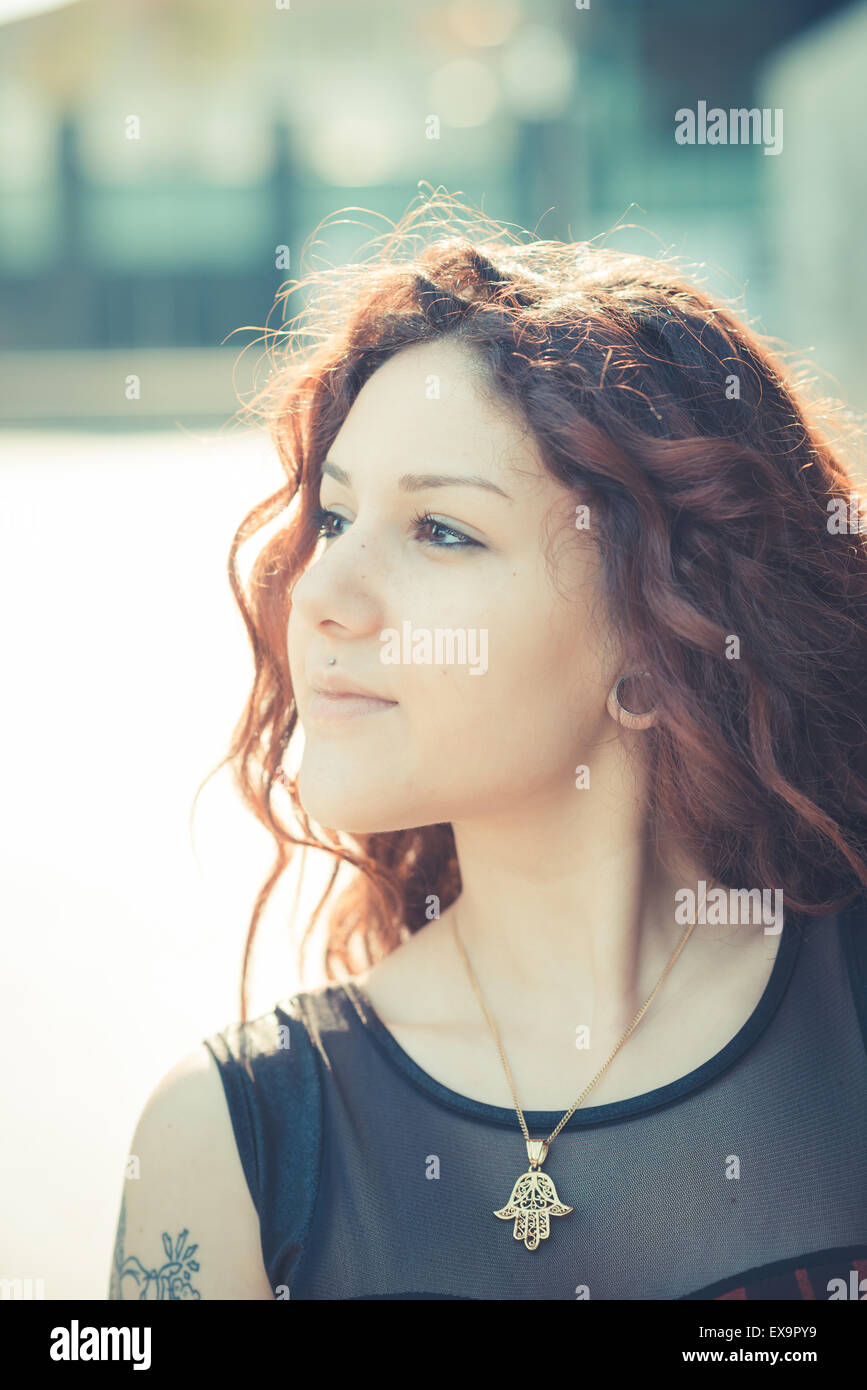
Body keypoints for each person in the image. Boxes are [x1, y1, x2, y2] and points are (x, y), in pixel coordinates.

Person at [108, 199, 867, 1300]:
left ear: (662, 643)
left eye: (442, 530)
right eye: (333, 517)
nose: (321, 591)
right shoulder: (236, 1147)